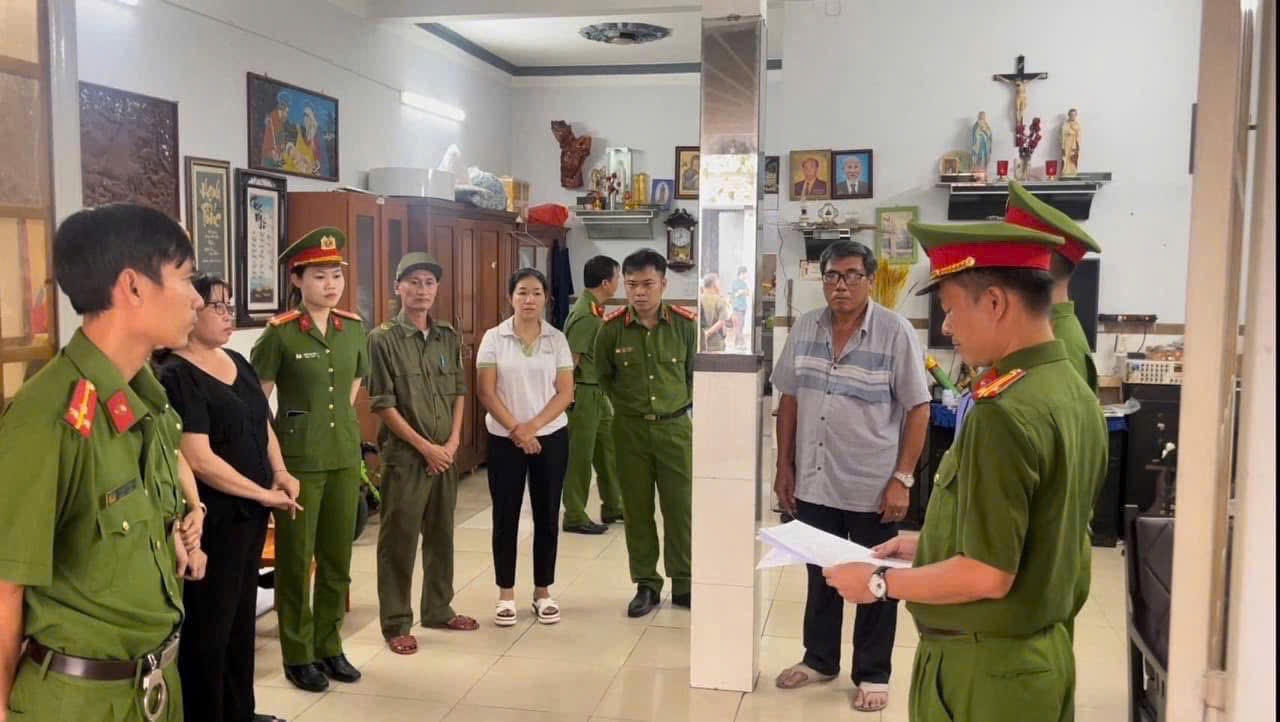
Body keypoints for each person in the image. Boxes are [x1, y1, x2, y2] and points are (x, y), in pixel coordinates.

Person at [822, 220, 1108, 722]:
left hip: (985, 669)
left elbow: (988, 574)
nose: (948, 327)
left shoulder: (1005, 412)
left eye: (952, 309)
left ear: (994, 302)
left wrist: (878, 583)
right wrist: (930, 544)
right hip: (1037, 658)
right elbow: (1036, 531)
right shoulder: (1070, 389)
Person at [0, 203, 206, 722]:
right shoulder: (49, 418)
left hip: (156, 685)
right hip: (79, 701)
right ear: (133, 286)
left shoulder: (146, 398)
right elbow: (5, 585)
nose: (199, 299)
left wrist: (183, 528)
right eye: (186, 278)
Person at [770, 240, 931, 713]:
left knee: (876, 578)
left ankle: (873, 672)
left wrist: (903, 478)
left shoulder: (895, 332)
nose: (840, 285)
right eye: (832, 276)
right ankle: (819, 659)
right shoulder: (805, 327)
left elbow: (919, 408)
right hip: (814, 480)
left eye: (852, 275)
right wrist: (784, 466)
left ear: (870, 279)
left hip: (872, 485)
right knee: (820, 575)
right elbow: (789, 400)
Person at [156, 274, 302, 722]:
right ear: (191, 310)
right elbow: (198, 459)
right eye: (216, 306)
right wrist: (263, 493)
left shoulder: (236, 359)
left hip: (250, 515)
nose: (227, 314)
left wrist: (280, 473)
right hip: (211, 520)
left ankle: (241, 711)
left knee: (241, 622)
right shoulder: (175, 373)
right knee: (209, 630)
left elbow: (262, 424)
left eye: (229, 305)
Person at [251, 227, 368, 693]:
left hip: (343, 456)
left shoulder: (352, 327)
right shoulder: (278, 334)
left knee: (338, 557)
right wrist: (276, 462)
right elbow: (256, 404)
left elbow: (354, 386)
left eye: (336, 275)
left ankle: (329, 646)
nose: (331, 284)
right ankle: (298, 655)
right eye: (319, 276)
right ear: (297, 279)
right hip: (298, 461)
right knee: (296, 562)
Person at [366, 253, 476, 656]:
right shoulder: (382, 339)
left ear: (437, 289)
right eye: (413, 282)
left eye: (429, 282)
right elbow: (383, 404)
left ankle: (438, 609)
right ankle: (396, 622)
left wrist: (452, 443)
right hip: (407, 457)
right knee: (399, 540)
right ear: (397, 287)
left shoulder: (447, 335)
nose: (421, 290)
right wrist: (426, 447)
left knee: (441, 534)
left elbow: (460, 392)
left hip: (445, 455)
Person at [595, 249, 697, 618]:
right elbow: (605, 378)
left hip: (675, 429)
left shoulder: (686, 326)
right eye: (632, 284)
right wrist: (631, 408)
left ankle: (684, 581)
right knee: (637, 509)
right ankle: (646, 583)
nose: (639, 292)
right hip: (630, 431)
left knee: (680, 508)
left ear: (663, 284)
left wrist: (675, 407)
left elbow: (694, 376)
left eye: (648, 284)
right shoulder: (611, 330)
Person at [476, 269, 575, 627]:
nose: (529, 299)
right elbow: (486, 391)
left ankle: (542, 591)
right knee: (506, 515)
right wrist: (517, 429)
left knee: (547, 514)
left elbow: (565, 392)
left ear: (546, 297)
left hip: (550, 437)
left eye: (536, 293)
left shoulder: (556, 340)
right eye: (522, 292)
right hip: (504, 439)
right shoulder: (494, 338)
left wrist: (532, 427)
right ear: (510, 297)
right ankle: (505, 594)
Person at [561, 256, 625, 535]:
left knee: (608, 452)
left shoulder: (594, 309)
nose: (619, 282)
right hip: (583, 394)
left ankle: (613, 505)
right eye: (617, 277)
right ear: (606, 282)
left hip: (598, 392)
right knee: (580, 457)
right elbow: (570, 361)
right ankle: (574, 514)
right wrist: (568, 398)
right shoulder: (586, 315)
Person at [698, 273, 733, 352]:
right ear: (715, 285)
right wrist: (707, 334)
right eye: (719, 284)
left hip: (699, 342)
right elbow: (722, 321)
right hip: (716, 342)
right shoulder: (720, 300)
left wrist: (703, 336)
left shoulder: (698, 299)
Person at [730, 266, 750, 349]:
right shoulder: (735, 283)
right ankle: (741, 343)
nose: (746, 275)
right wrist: (739, 293)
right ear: (741, 273)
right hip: (737, 308)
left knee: (740, 326)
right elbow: (732, 295)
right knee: (738, 326)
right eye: (746, 273)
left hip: (743, 308)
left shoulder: (744, 283)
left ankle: (736, 344)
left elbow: (748, 293)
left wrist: (745, 292)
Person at [1061, 109, 1082, 176]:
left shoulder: (1077, 124)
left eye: (1074, 115)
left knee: (1072, 157)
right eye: (1071, 115)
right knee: (1066, 157)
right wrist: (1062, 146)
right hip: (1067, 143)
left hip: (1074, 143)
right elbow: (1062, 135)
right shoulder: (1065, 124)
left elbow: (1078, 134)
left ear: (1076, 115)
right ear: (1069, 115)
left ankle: (1073, 171)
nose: (1072, 116)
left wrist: (1077, 143)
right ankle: (1065, 172)